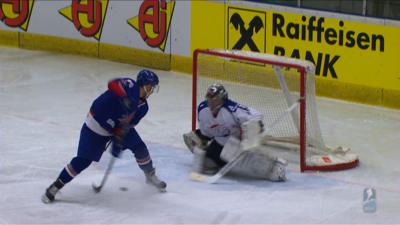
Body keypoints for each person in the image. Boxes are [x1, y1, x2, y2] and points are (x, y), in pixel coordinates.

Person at [42, 69, 166, 203]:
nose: (151, 90)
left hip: (115, 128)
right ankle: (55, 186)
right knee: (83, 161)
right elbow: (112, 84)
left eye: (153, 87)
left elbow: (129, 125)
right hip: (96, 125)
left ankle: (150, 175)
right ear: (142, 84)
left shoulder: (143, 107)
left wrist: (119, 138)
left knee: (139, 147)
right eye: (149, 86)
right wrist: (124, 98)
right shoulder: (129, 85)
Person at [183, 83, 287, 181]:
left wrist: (252, 131)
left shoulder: (232, 109)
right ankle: (220, 161)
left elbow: (256, 116)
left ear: (222, 98)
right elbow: (206, 132)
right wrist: (204, 142)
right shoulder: (203, 110)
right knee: (203, 158)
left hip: (235, 142)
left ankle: (274, 165)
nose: (211, 102)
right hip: (219, 142)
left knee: (241, 157)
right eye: (209, 99)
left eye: (215, 99)